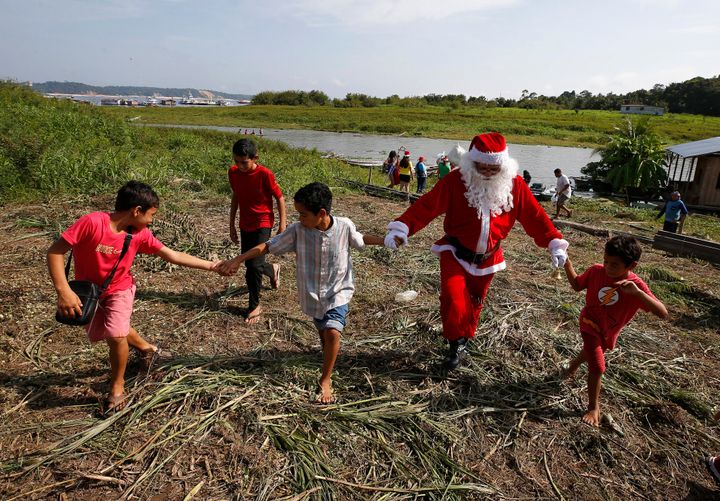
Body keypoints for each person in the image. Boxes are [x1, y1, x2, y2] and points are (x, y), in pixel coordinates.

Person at [384, 132, 568, 370]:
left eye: (494, 169)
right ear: (472, 162)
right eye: (483, 168)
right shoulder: (455, 181)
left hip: (489, 257)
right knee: (453, 296)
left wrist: (554, 242)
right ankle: (453, 343)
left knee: (475, 301)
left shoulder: (516, 185)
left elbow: (535, 217)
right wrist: (402, 228)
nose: (489, 173)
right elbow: (427, 206)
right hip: (455, 251)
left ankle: (464, 338)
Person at [47, 181, 221, 414]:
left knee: (116, 334)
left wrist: (212, 265)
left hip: (120, 289)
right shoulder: (92, 223)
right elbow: (55, 251)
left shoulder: (140, 235)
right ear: (136, 210)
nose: (151, 221)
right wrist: (64, 291)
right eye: (151, 215)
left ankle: (117, 387)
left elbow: (172, 255)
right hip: (90, 292)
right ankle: (147, 349)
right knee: (113, 328)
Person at [218, 182, 386, 403]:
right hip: (312, 292)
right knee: (323, 330)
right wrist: (238, 259)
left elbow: (360, 239)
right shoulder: (298, 231)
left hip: (339, 290)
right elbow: (268, 246)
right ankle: (326, 353)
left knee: (333, 331)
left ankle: (325, 379)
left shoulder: (344, 226)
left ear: (322, 213)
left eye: (303, 214)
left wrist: (386, 241)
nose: (299, 219)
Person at [562, 235, 668, 427]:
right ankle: (593, 407)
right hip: (589, 322)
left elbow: (662, 313)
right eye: (606, 261)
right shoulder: (596, 271)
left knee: (591, 352)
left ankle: (572, 365)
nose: (608, 267)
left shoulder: (635, 286)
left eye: (615, 264)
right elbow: (577, 285)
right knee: (597, 366)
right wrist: (567, 263)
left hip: (608, 330)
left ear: (632, 266)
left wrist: (638, 293)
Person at [228, 139, 287, 324]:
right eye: (237, 161)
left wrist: (282, 224)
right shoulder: (233, 172)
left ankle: (254, 305)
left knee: (252, 267)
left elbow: (279, 197)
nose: (240, 166)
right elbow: (236, 196)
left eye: (244, 162)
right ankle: (272, 269)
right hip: (245, 223)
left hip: (263, 222)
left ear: (255, 158)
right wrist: (231, 223)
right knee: (251, 263)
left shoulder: (265, 174)